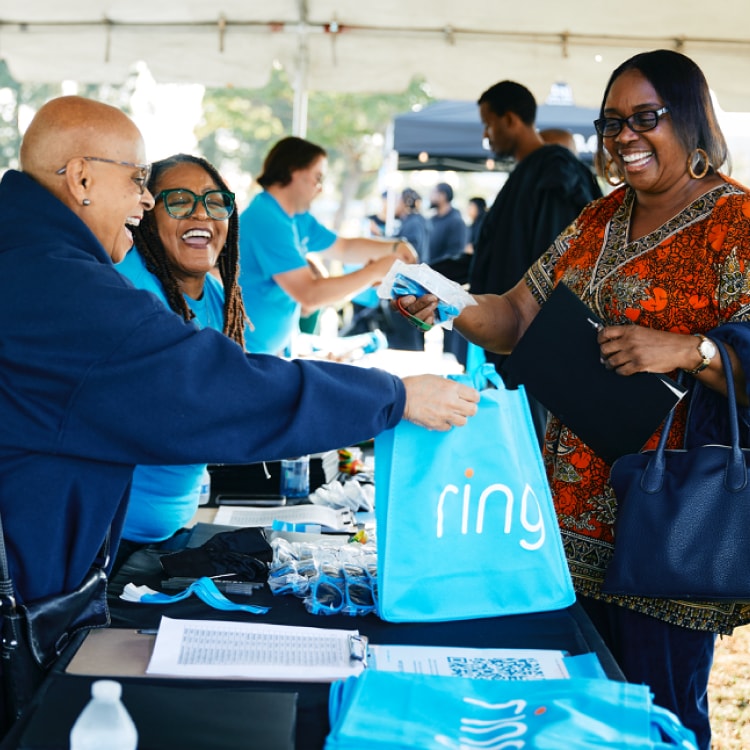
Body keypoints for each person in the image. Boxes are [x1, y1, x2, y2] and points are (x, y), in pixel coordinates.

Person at [0, 96, 479, 668]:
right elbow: (208, 390)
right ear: (81, 178)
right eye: (139, 182)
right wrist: (393, 397)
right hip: (34, 592)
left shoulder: (28, 254)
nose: (144, 200)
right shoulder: (61, 285)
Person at [397, 49, 750, 749]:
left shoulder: (734, 221)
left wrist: (688, 348)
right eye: (611, 121)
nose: (624, 136)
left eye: (644, 118)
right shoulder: (597, 220)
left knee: (658, 721)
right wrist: (446, 304)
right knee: (566, 721)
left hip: (666, 526)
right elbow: (516, 315)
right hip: (557, 526)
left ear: (690, 117)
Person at [114, 153, 246, 552]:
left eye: (214, 201)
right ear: (148, 212)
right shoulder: (130, 288)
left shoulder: (221, 300)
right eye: (179, 201)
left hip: (173, 525)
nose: (201, 215)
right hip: (109, 536)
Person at [469, 80, 602, 440]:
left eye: (489, 123)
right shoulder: (528, 174)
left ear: (510, 119)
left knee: (536, 460)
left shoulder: (554, 172)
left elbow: (558, 268)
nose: (487, 134)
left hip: (540, 354)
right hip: (511, 347)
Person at [237, 136, 418, 355]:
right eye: (317, 178)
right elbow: (309, 294)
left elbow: (343, 248)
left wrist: (394, 248)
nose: (320, 188)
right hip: (248, 354)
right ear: (294, 171)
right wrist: (373, 271)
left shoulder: (295, 217)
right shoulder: (267, 220)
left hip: (272, 350)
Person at [426, 182, 467, 264]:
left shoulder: (456, 222)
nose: (430, 196)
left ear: (443, 195)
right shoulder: (433, 220)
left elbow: (454, 254)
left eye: (433, 193)